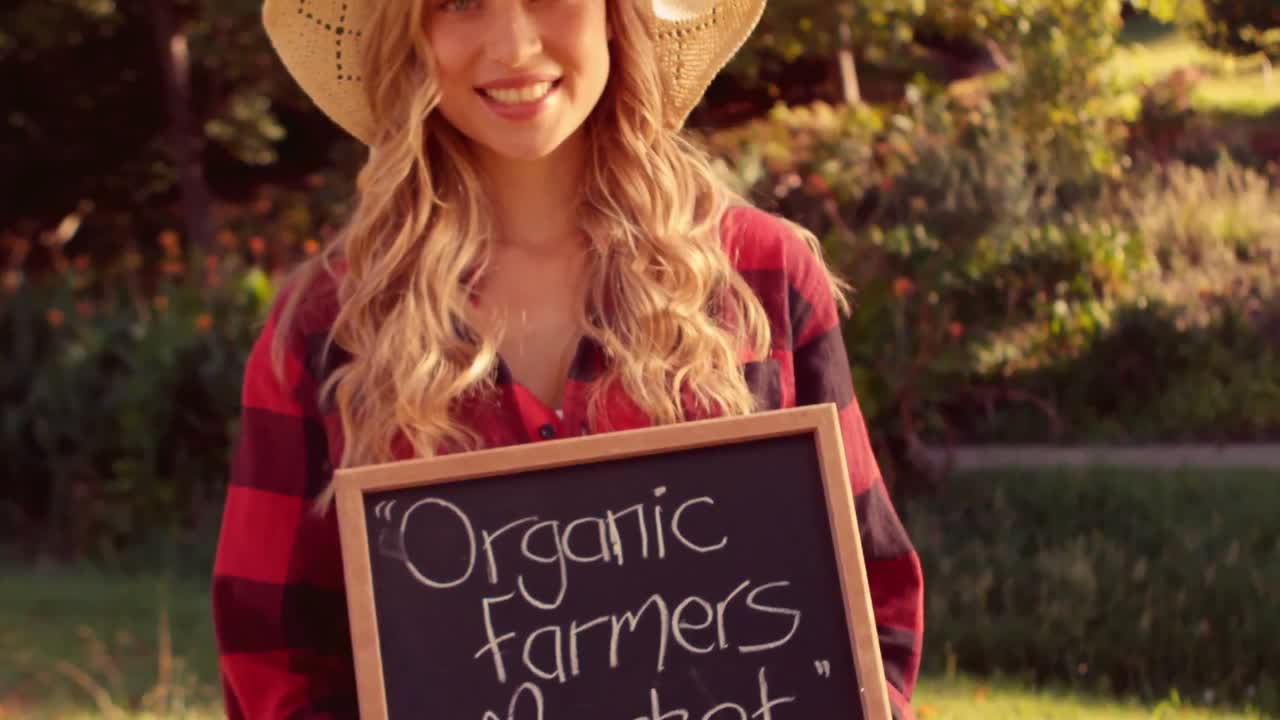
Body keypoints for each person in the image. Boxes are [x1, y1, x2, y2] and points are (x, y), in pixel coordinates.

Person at [212, 0, 925, 717]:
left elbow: (868, 602)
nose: (514, 45)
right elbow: (271, 653)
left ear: (618, 14)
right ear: (409, 34)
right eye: (458, 2)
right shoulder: (329, 324)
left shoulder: (761, 277)